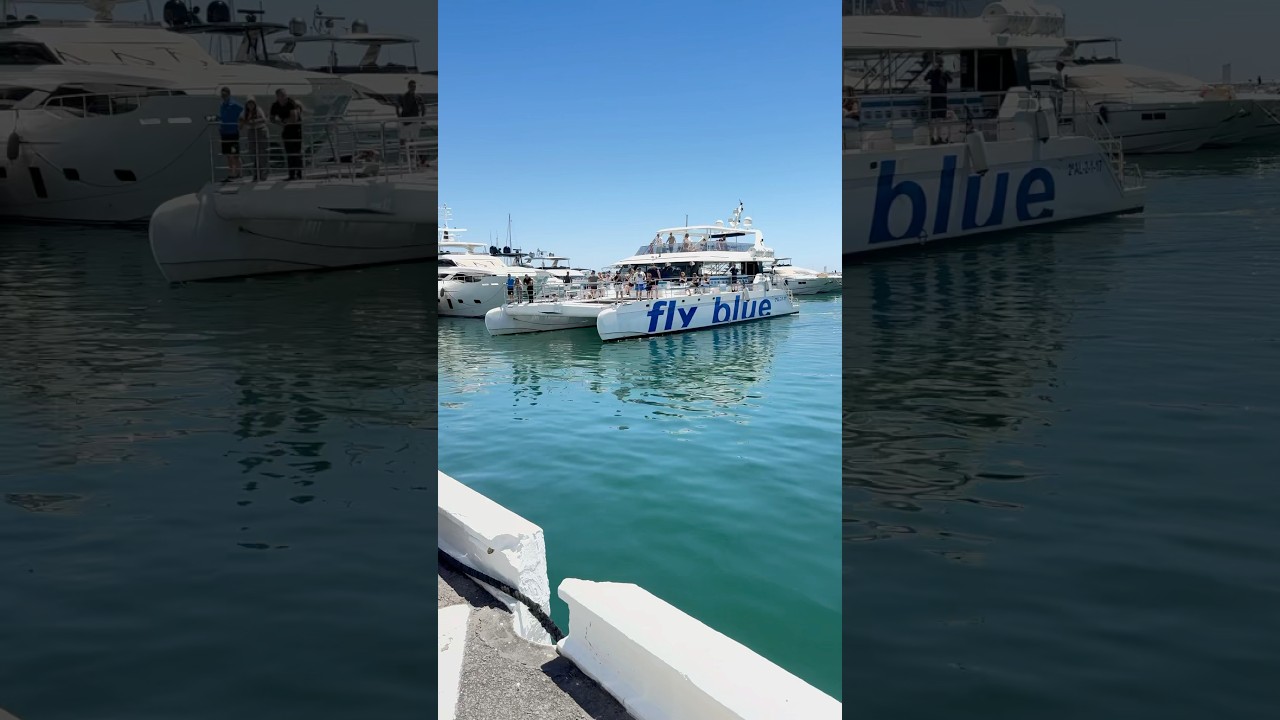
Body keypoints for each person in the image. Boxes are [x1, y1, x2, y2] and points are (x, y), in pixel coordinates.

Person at [270, 88, 303, 180]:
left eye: (285, 95)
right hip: (286, 130)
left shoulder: (291, 103)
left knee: (296, 152)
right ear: (277, 96)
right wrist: (280, 123)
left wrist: (284, 120)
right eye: (282, 95)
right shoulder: (275, 105)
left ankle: (299, 173)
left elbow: (294, 118)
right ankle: (291, 174)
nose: (284, 97)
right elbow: (272, 118)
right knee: (289, 152)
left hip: (296, 129)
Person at [923, 55, 952, 144]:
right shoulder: (934, 72)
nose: (939, 65)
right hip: (937, 97)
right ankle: (933, 138)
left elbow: (950, 80)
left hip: (939, 97)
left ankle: (937, 137)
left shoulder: (943, 72)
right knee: (935, 119)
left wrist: (941, 72)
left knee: (938, 119)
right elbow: (926, 78)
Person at [239, 97, 269, 181]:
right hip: (251, 132)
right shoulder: (244, 112)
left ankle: (263, 174)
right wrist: (243, 122)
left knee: (262, 153)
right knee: (253, 153)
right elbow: (241, 122)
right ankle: (256, 174)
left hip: (260, 130)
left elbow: (264, 119)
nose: (250, 105)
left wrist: (254, 121)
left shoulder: (258, 110)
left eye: (252, 103)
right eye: (249, 103)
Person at [216, 87, 243, 180]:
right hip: (225, 133)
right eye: (222, 95)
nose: (223, 97)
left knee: (235, 154)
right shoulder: (222, 105)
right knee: (228, 154)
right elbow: (222, 117)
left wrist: (241, 123)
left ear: (229, 94)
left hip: (233, 132)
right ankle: (231, 173)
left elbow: (244, 111)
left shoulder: (235, 105)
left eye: (225, 95)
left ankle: (238, 173)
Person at [397, 79, 425, 167]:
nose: (413, 88)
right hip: (405, 121)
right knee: (402, 140)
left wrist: (422, 117)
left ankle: (413, 160)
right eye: (412, 86)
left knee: (413, 141)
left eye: (414, 86)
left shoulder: (418, 97)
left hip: (415, 121)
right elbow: (398, 107)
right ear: (408, 87)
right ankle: (402, 158)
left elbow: (423, 107)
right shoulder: (404, 96)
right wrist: (400, 118)